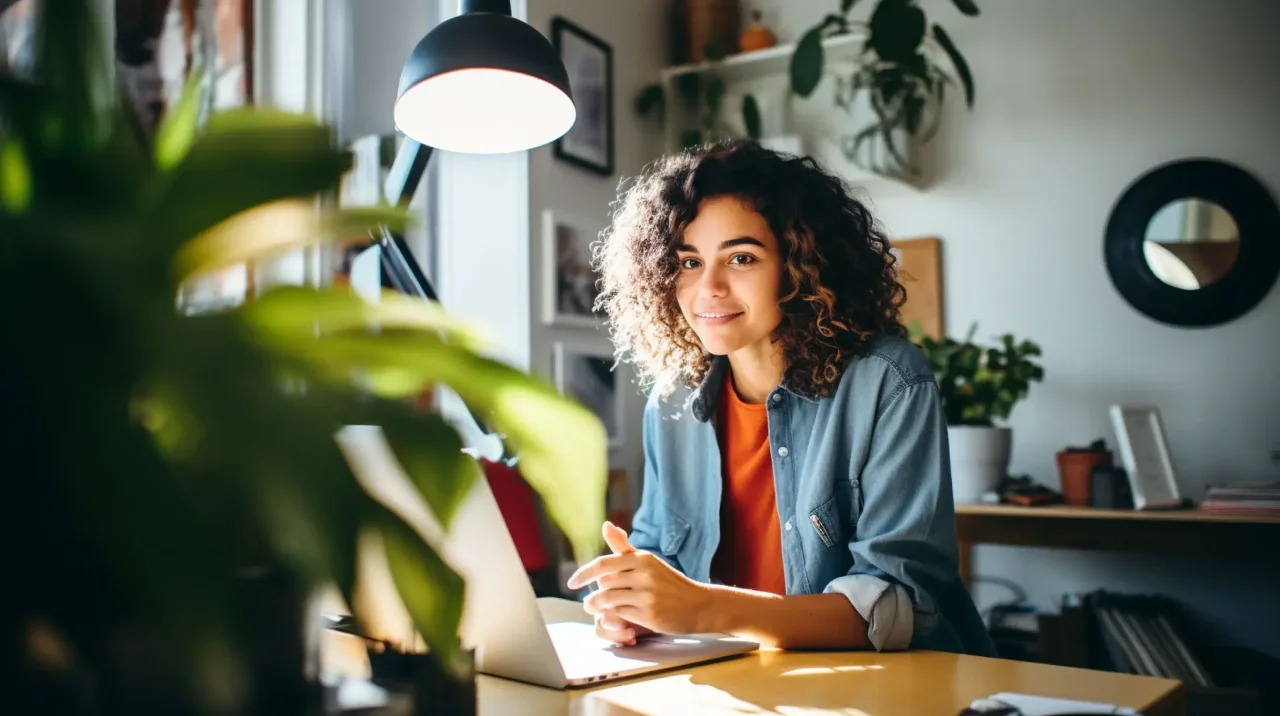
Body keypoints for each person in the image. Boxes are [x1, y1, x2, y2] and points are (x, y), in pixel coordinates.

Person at [566, 139, 996, 656]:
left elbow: (897, 606)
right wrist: (628, 607)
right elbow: (662, 558)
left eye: (741, 257)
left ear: (799, 266)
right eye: (687, 262)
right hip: (731, 681)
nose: (709, 289)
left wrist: (702, 608)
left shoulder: (890, 381)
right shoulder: (673, 401)